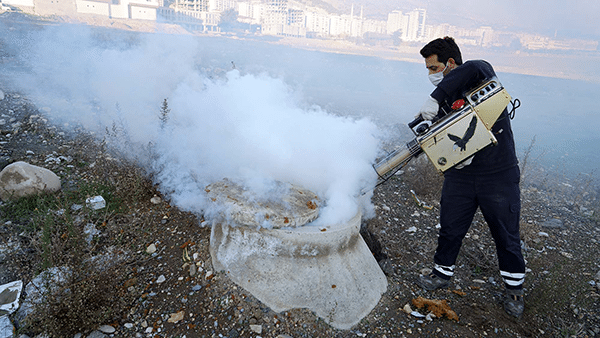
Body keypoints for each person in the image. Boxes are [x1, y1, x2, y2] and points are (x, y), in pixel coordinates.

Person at [414, 36, 526, 318]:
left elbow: (476, 65)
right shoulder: (447, 101)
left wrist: (434, 97)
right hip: (461, 177)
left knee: (505, 233)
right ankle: (441, 274)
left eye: (433, 68)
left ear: (450, 64)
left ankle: (514, 291)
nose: (431, 74)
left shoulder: (480, 76)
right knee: (450, 227)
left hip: (498, 176)